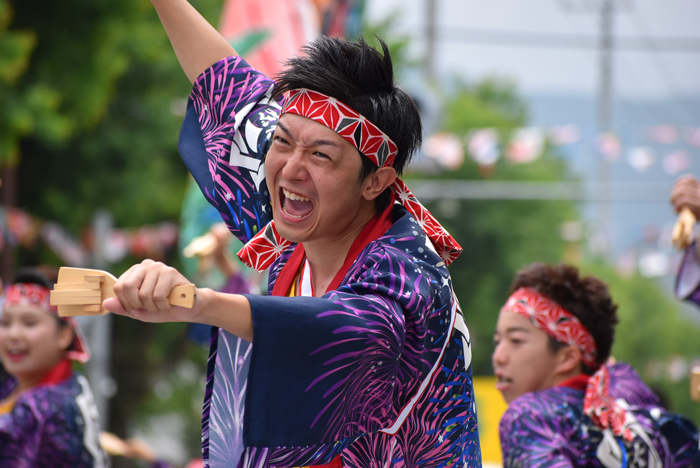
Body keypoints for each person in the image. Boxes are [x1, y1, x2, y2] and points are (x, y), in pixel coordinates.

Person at [102, 1, 481, 467]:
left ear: (375, 181)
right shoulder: (295, 191)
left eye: (321, 156)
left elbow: (343, 333)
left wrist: (198, 303)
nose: (290, 169)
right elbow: (223, 82)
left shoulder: (405, 271)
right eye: (281, 142)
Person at [493, 262, 698, 467]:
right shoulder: (649, 421)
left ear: (568, 358)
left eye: (516, 340)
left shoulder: (532, 416)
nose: (498, 357)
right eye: (497, 341)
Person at [0, 268, 108, 467]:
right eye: (5, 323)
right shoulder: (70, 386)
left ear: (64, 336)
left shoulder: (46, 407)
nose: (13, 334)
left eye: (30, 323)